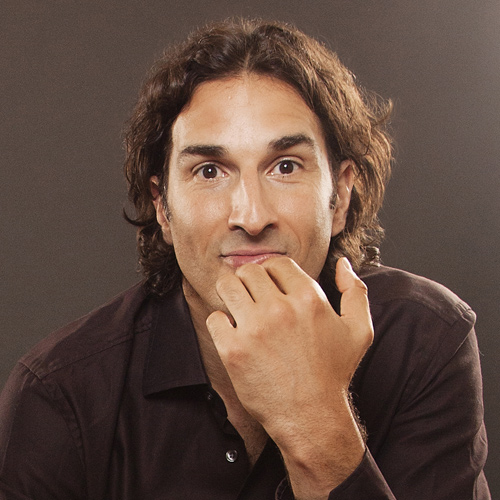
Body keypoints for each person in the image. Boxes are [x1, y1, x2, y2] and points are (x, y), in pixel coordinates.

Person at [0, 18, 490, 500]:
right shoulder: (60, 394)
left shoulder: (426, 341)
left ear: (339, 196)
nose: (251, 217)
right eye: (210, 171)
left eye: (285, 166)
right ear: (162, 208)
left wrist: (315, 423)